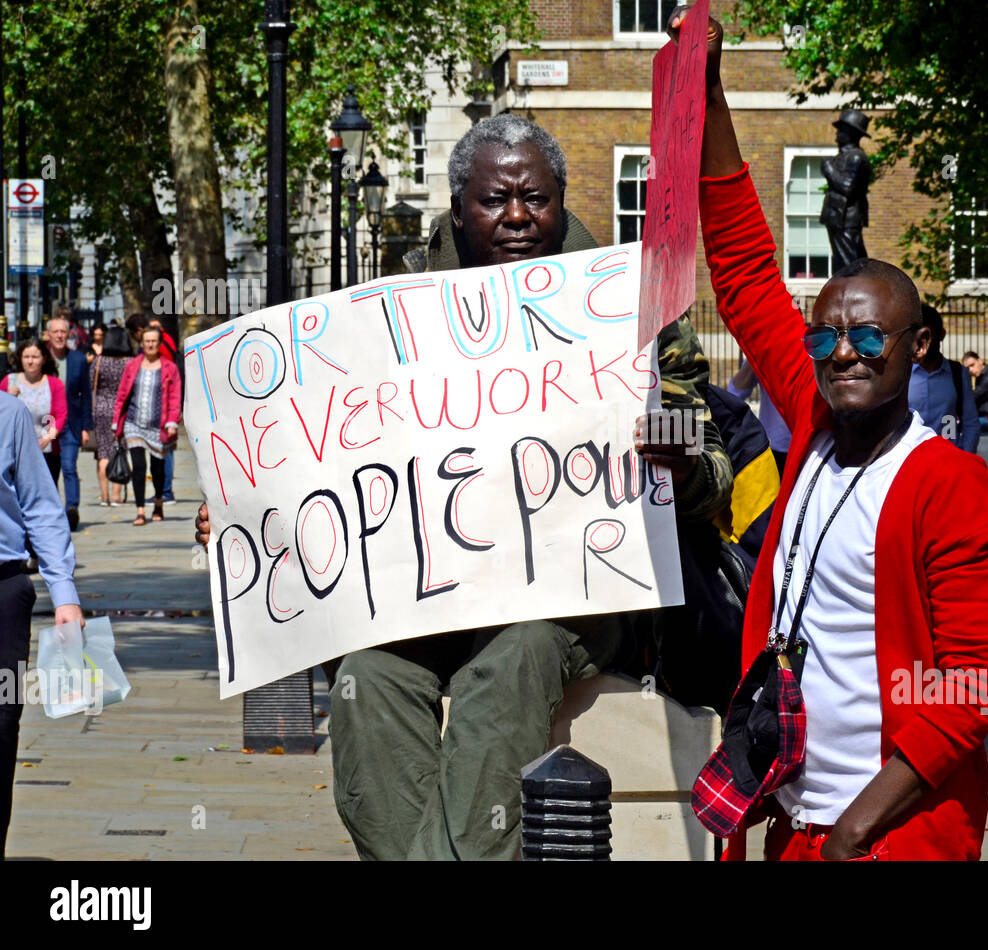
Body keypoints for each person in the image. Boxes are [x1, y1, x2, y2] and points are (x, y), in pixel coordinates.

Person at [195, 113, 735, 861]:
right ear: (459, 210)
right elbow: (325, 460)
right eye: (494, 200)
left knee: (511, 663)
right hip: (433, 603)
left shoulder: (631, 307)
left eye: (535, 198)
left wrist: (668, 456)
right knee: (366, 679)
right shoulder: (391, 315)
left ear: (561, 197)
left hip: (571, 603)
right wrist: (247, 513)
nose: (517, 216)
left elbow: (711, 458)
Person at [676, 6, 988, 861]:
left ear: (919, 347)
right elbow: (745, 267)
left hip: (889, 837)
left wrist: (859, 829)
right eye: (826, 334)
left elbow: (974, 685)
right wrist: (708, 90)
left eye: (868, 335)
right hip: (788, 817)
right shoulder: (816, 425)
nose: (844, 352)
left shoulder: (950, 486)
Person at [1, 390, 84, 857]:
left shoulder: (9, 415)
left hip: (4, 591)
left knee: (2, 721)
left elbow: (39, 504)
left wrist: (64, 594)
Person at [112, 327, 181, 526]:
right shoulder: (132, 366)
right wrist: (117, 421)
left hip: (158, 426)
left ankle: (158, 500)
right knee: (139, 466)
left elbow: (176, 396)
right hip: (134, 424)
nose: (150, 344)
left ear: (159, 344)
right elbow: (122, 395)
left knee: (158, 469)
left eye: (153, 341)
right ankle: (140, 510)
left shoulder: (169, 368)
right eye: (146, 341)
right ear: (141, 343)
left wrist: (172, 421)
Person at [45, 310, 93, 531]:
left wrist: (86, 427)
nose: (59, 336)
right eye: (55, 332)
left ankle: (71, 509)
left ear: (68, 334)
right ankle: (52, 511)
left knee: (69, 466)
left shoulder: (78, 359)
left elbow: (85, 394)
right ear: (48, 335)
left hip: (71, 424)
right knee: (49, 470)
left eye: (63, 331)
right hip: (46, 424)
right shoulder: (40, 358)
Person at [908, 305, 978, 452]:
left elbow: (970, 422)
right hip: (910, 459)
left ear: (942, 334)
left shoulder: (957, 373)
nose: (923, 343)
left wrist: (965, 458)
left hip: (949, 455)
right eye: (918, 337)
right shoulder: (903, 372)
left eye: (928, 336)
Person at [6, 341, 67, 488]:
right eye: (26, 356)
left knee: (46, 491)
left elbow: (59, 415)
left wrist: (47, 439)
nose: (30, 361)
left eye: (35, 356)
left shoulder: (54, 384)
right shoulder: (9, 381)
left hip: (46, 450)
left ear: (44, 359)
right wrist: (7, 397)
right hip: (15, 451)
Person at [819, 109, 873, 272]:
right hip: (836, 218)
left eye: (842, 129)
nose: (837, 133)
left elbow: (847, 187)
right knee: (842, 263)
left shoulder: (856, 157)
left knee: (850, 264)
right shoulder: (842, 157)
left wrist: (828, 170)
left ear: (851, 133)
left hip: (847, 219)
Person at [91, 326, 132, 506]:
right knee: (119, 449)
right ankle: (116, 496)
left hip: (100, 409)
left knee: (103, 453)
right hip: (122, 409)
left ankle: (104, 496)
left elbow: (91, 383)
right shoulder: (130, 362)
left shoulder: (99, 362)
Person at [728, 357, 792, 473]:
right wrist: (755, 354)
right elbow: (735, 393)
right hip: (773, 447)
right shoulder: (766, 351)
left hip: (809, 448)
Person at [146, 318, 179, 502]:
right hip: (165, 404)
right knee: (165, 450)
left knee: (164, 450)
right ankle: (165, 490)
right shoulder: (170, 341)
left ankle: (165, 491)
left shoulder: (163, 348)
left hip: (162, 405)